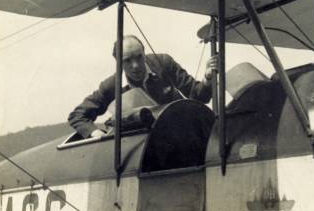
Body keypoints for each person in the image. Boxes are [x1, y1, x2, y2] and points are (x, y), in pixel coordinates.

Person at [68, 35, 218, 138]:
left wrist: (208, 78)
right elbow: (77, 115)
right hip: (147, 147)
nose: (136, 66)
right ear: (118, 62)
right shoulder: (111, 86)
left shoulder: (163, 63)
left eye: (139, 57)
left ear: (144, 52)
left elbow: (199, 96)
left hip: (181, 133)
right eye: (128, 60)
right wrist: (94, 133)